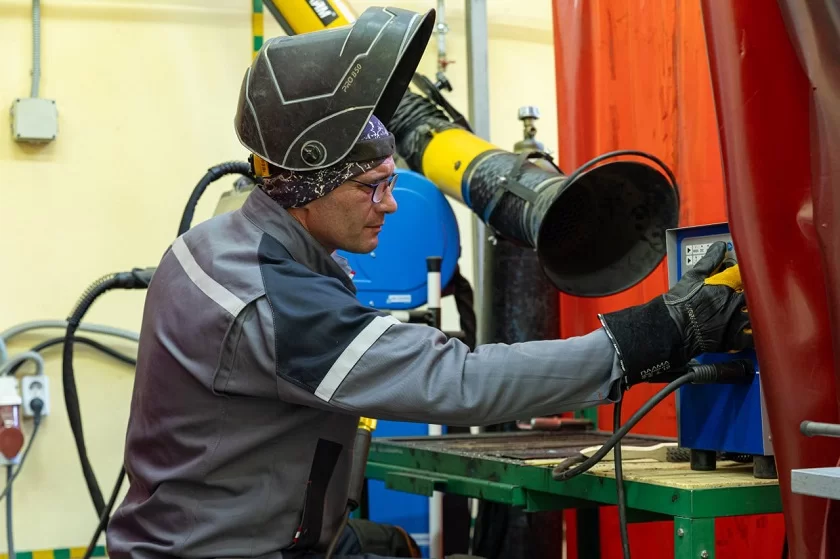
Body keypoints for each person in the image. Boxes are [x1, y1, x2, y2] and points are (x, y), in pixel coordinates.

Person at [106, 6, 753, 559]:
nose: (390, 204)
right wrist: (657, 332)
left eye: (392, 181)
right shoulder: (268, 297)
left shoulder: (228, 247)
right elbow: (458, 380)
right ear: (310, 183)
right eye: (373, 187)